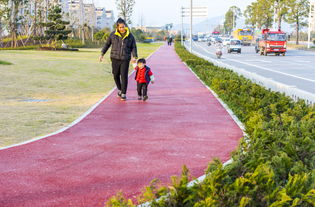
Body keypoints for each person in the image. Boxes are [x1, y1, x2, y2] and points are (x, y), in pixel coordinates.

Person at [99, 18, 138, 101]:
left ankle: (123, 93)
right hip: (115, 58)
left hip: (125, 58)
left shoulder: (130, 36)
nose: (122, 29)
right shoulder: (113, 34)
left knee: (124, 76)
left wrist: (134, 56)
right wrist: (102, 54)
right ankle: (120, 90)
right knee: (115, 75)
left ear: (125, 26)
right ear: (117, 27)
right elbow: (107, 44)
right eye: (120, 27)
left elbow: (133, 47)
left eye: (123, 27)